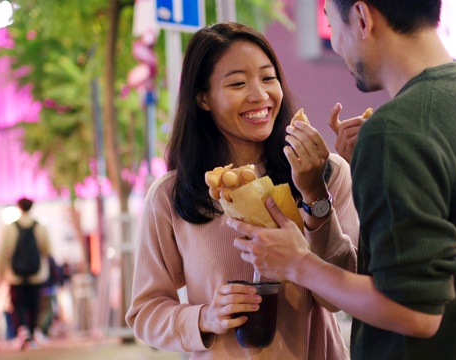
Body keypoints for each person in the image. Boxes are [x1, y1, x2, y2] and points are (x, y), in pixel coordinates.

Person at [227, 1, 456, 359]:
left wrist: (298, 262)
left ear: (361, 18)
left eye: (333, 28)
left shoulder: (395, 128)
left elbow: (417, 312)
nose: (336, 46)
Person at [125, 22, 359, 359]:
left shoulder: (326, 171)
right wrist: (203, 316)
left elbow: (337, 296)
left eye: (268, 78)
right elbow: (145, 312)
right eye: (237, 83)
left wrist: (314, 196)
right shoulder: (171, 195)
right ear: (203, 98)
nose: (260, 95)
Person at [0, 197, 51, 350]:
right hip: (36, 274)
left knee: (18, 304)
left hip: (15, 276)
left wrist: (0, 273)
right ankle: (32, 333)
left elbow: (2, 252)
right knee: (34, 304)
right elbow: (47, 250)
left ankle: (23, 331)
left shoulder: (10, 228)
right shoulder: (40, 227)